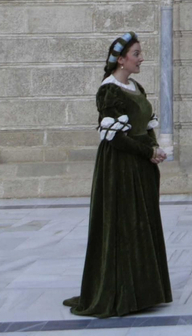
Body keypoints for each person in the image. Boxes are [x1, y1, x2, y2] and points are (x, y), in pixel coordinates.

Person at [64, 32, 173, 317]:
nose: (141, 58)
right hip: (120, 168)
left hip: (141, 166)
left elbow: (145, 126)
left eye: (140, 53)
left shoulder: (136, 86)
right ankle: (121, 292)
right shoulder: (109, 91)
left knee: (141, 223)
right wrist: (146, 151)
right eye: (136, 54)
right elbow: (113, 138)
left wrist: (154, 147)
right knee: (123, 224)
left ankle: (144, 291)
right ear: (121, 59)